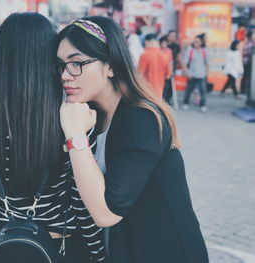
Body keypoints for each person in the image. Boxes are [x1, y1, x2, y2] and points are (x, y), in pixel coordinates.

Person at [56, 16, 209, 263]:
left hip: (165, 252)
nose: (65, 75)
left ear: (111, 66)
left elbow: (107, 213)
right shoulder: (91, 115)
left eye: (76, 63)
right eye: (61, 65)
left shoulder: (141, 119)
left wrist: (75, 139)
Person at [0, 13, 106, 263]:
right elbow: (83, 199)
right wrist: (98, 254)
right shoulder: (74, 114)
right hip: (63, 247)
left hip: (9, 247)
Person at [138, 33, 170, 98]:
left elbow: (139, 75)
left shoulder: (144, 54)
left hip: (146, 91)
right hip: (159, 92)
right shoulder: (164, 55)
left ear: (146, 42)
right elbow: (168, 76)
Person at [182, 35, 209, 112]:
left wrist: (206, 73)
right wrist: (187, 73)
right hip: (192, 75)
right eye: (195, 41)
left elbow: (207, 63)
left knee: (203, 91)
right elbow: (184, 63)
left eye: (198, 41)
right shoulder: (190, 50)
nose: (196, 43)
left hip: (202, 75)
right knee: (188, 90)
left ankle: (203, 105)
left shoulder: (204, 51)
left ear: (201, 42)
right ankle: (185, 103)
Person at [160, 35, 173, 104]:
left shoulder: (169, 51)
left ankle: (165, 100)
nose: (164, 44)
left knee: (166, 87)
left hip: (167, 72)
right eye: (163, 43)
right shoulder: (158, 50)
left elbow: (170, 62)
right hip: (159, 72)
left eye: (165, 43)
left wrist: (170, 71)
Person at [241, 30, 255, 95]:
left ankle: (244, 89)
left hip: (247, 62)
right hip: (248, 62)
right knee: (246, 76)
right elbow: (249, 53)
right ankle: (243, 90)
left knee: (246, 76)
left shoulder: (249, 42)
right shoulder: (250, 43)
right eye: (253, 35)